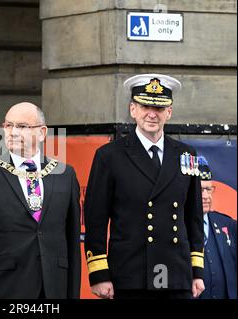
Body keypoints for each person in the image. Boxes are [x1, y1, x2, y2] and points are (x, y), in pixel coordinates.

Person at [84, 74, 205, 299]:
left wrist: (197, 271)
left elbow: (194, 217)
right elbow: (95, 219)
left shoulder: (186, 154)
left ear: (169, 112)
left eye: (159, 108)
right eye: (145, 106)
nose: (152, 114)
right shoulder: (110, 156)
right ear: (132, 109)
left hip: (176, 274)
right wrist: (99, 274)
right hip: (130, 275)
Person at [0, 102, 81, 299]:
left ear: (42, 132)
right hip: (7, 289)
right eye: (8, 125)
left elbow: (72, 244)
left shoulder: (65, 175)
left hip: (54, 288)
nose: (12, 132)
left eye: (22, 127)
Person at [197, 156, 237, 299]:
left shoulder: (227, 224)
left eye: (209, 189)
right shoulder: (175, 226)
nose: (206, 196)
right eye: (200, 190)